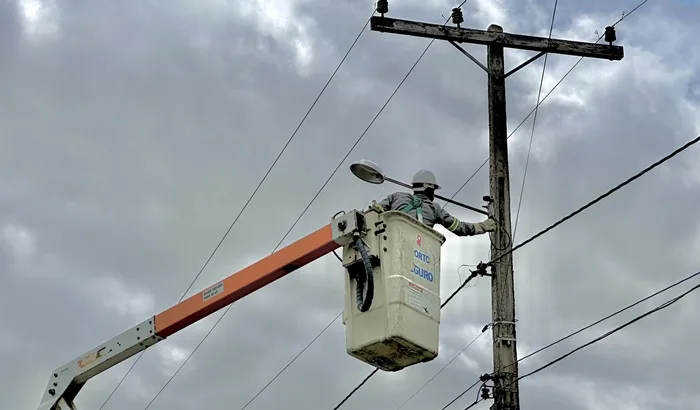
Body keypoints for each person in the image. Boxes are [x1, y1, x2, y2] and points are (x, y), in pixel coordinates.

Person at [370, 169, 497, 236]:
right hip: (418, 251)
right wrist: (483, 226)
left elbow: (374, 212)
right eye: (434, 190)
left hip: (390, 243)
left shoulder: (395, 196)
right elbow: (459, 228)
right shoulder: (435, 209)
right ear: (429, 188)